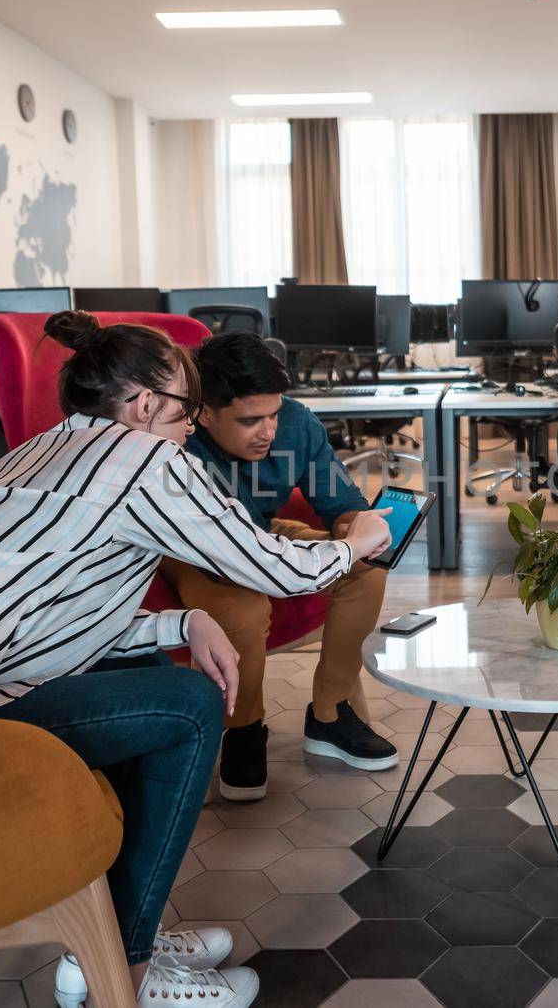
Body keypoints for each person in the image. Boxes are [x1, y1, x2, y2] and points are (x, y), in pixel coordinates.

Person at [0, 312, 391, 1008]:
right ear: (146, 404)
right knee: (187, 707)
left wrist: (186, 619)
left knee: (142, 684)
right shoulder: (146, 458)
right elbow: (270, 567)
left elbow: (55, 627)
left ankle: (110, 933)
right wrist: (357, 540)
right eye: (188, 409)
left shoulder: (30, 451)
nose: (192, 427)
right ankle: (120, 971)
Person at [162, 331, 399, 802]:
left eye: (273, 413)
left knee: (367, 569)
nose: (269, 431)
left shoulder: (296, 424)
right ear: (203, 413)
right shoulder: (176, 445)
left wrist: (358, 528)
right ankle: (243, 728)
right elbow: (224, 551)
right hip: (194, 550)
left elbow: (340, 506)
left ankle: (330, 713)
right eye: (251, 420)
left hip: (263, 534)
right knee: (244, 608)